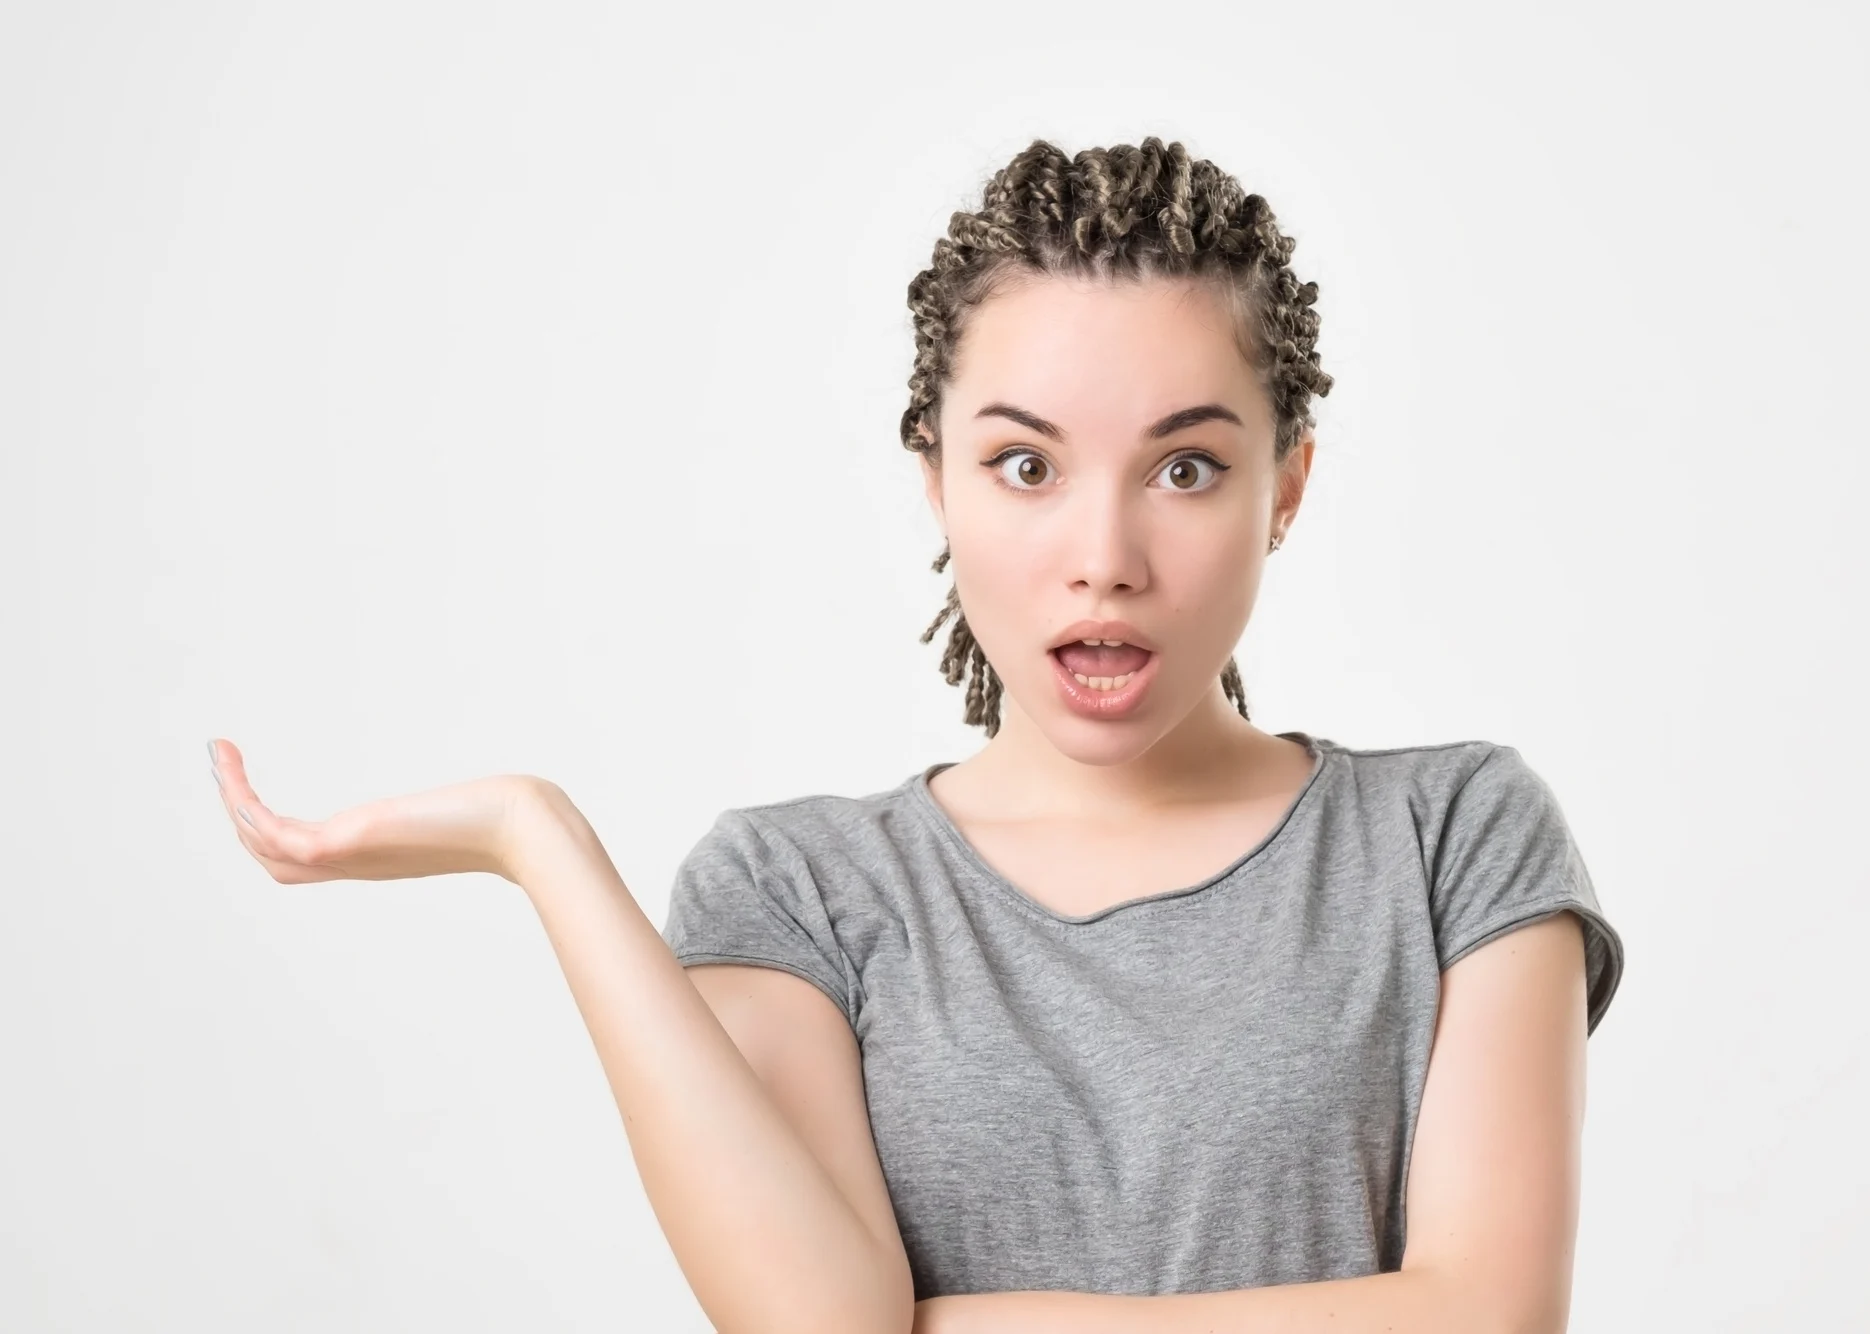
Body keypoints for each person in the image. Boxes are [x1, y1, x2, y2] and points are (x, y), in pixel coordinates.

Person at [209, 137, 1624, 1334]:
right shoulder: (797, 889)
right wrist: (541, 843)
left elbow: (1490, 1315)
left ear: (1288, 486)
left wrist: (962, 1323)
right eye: (1025, 464)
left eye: (1186, 467)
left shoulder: (1454, 836)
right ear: (936, 480)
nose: (1104, 554)